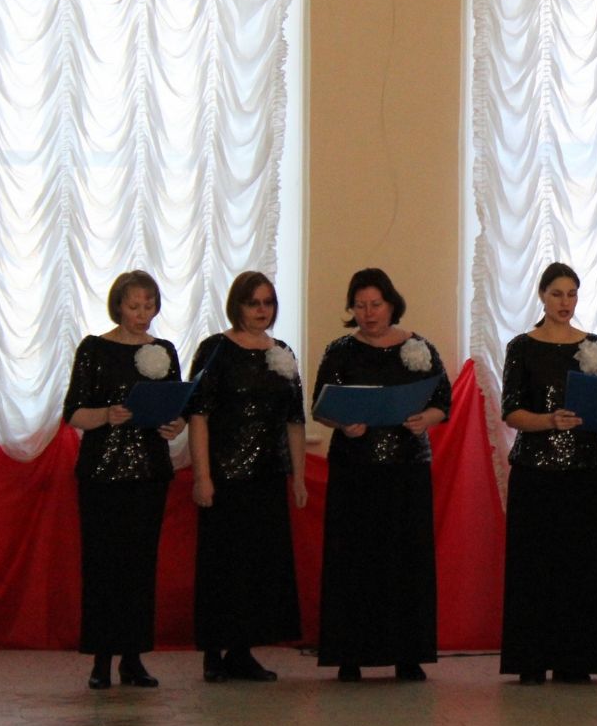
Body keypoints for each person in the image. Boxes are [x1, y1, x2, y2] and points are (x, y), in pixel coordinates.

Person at [313, 268, 450, 682]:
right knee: (354, 561)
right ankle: (350, 654)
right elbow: (321, 406)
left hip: (407, 469)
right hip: (355, 470)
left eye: (376, 304)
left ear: (392, 304)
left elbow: (443, 400)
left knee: (406, 561)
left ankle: (408, 655)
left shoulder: (419, 347)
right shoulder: (340, 350)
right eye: (360, 306)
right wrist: (342, 423)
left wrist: (426, 417)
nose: (369, 313)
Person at [63, 271, 186, 690]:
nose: (142, 314)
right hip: (102, 474)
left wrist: (174, 425)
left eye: (149, 306)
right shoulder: (94, 349)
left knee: (139, 567)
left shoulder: (163, 350)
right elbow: (74, 412)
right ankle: (101, 661)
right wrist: (106, 415)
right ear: (118, 306)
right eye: (134, 306)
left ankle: (133, 658)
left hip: (149, 472)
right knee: (103, 567)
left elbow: (174, 406)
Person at [187, 272, 307, 683]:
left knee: (259, 567)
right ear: (237, 306)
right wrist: (202, 476)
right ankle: (213, 652)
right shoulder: (215, 349)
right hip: (224, 476)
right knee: (222, 566)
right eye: (253, 303)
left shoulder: (283, 352)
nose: (261, 310)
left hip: (268, 476)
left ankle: (242, 651)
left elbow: (294, 420)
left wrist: (298, 477)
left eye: (267, 302)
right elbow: (198, 416)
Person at [499, 262, 597, 684]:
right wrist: (549, 421)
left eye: (572, 294)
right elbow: (511, 411)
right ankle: (531, 659)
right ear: (542, 296)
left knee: (580, 567)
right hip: (535, 470)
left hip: (584, 470)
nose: (565, 302)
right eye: (557, 294)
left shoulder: (595, 345)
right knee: (534, 566)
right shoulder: (522, 346)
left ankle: (576, 660)